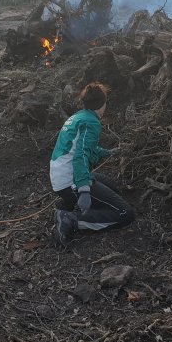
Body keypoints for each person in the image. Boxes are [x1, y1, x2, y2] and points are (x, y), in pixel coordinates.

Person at [49, 82, 134, 245]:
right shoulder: (92, 122)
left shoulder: (78, 116)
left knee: (112, 186)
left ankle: (66, 203)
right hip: (70, 180)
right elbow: (80, 155)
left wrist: (109, 153)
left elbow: (85, 149)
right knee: (125, 213)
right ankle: (71, 219)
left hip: (61, 177)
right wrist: (84, 190)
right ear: (103, 104)